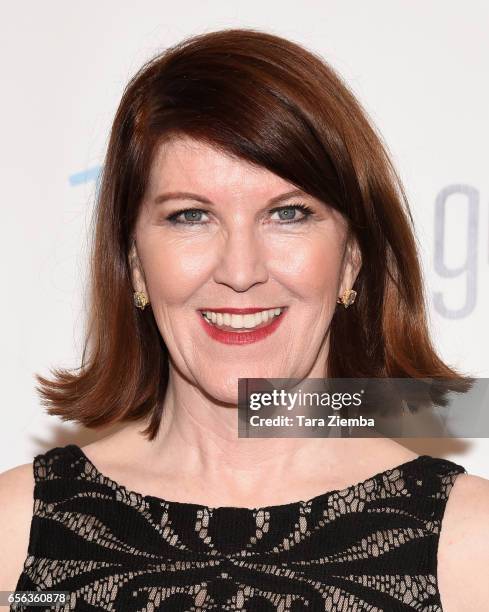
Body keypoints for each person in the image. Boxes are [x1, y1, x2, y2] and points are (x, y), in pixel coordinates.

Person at [1, 27, 488, 611]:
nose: (240, 270)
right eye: (189, 216)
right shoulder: (15, 533)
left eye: (287, 213)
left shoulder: (470, 548)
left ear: (352, 260)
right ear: (133, 263)